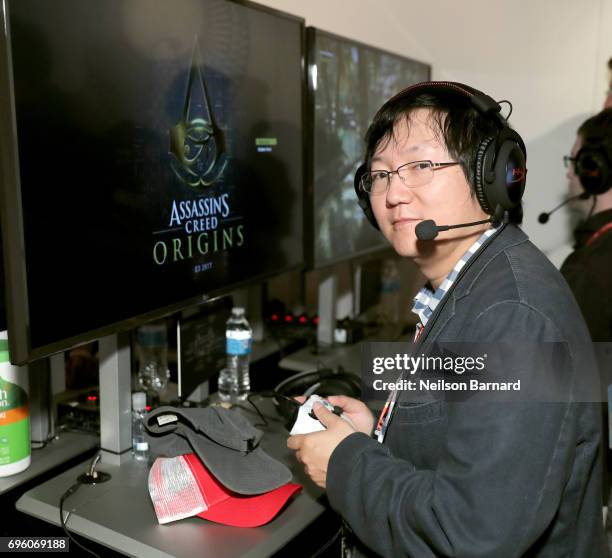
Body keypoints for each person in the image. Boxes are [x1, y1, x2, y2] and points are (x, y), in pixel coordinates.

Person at [287, 82, 606, 557]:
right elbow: (468, 416)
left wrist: (345, 462)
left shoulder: (513, 319)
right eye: (379, 175)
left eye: (420, 166)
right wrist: (377, 432)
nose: (394, 193)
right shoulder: (477, 284)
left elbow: (470, 535)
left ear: (491, 177)